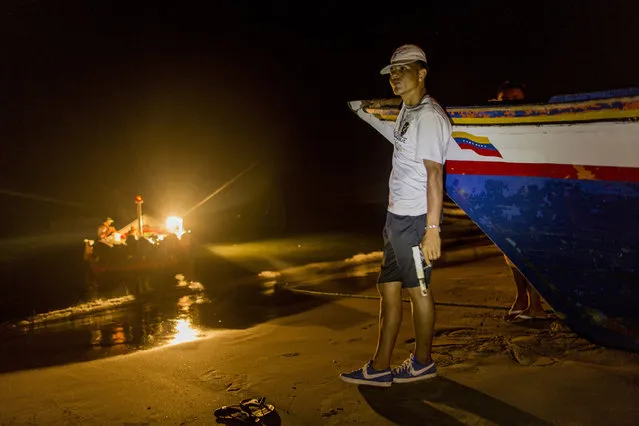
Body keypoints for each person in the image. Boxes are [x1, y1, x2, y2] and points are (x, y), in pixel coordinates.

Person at [340, 44, 453, 387]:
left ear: (422, 73)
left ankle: (423, 362)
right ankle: (380, 366)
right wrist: (368, 114)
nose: (395, 76)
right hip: (395, 220)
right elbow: (399, 141)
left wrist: (432, 229)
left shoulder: (431, 117)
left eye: (403, 69)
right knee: (388, 289)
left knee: (419, 290)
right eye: (392, 71)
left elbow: (435, 174)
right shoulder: (409, 111)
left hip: (415, 221)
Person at [494, 81, 545, 320]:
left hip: (532, 195)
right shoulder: (495, 125)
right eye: (506, 99)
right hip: (506, 196)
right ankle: (521, 298)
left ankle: (536, 305)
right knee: (510, 251)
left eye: (516, 98)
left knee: (532, 250)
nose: (511, 104)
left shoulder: (534, 122)